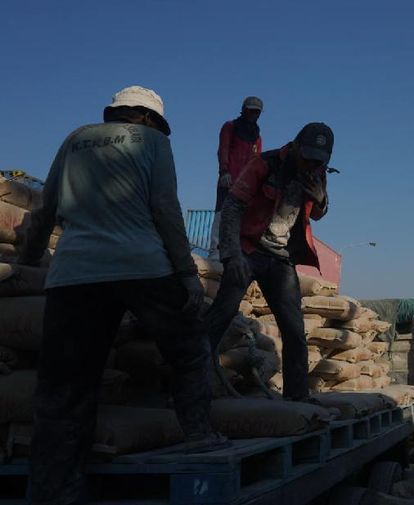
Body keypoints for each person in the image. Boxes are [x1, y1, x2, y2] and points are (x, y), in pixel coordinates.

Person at [18, 85, 227, 505]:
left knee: (66, 387)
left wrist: (31, 257)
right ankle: (199, 435)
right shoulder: (153, 143)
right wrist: (187, 273)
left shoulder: (75, 138)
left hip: (75, 273)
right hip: (143, 266)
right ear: (149, 119)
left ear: (114, 113)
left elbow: (45, 208)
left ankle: (53, 490)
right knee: (188, 349)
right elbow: (165, 207)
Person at [207, 122, 333, 402]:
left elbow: (319, 214)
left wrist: (321, 199)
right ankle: (194, 387)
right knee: (221, 316)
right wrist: (232, 254)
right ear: (296, 146)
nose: (311, 164)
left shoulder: (317, 174)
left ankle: (297, 397)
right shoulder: (265, 164)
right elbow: (232, 207)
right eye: (308, 157)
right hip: (249, 250)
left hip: (281, 257)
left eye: (318, 161)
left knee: (294, 329)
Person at [209, 96, 264, 259]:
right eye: (251, 110)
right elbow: (223, 149)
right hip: (229, 179)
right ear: (244, 110)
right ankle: (215, 251)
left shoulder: (257, 137)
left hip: (246, 185)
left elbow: (257, 161)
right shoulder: (230, 127)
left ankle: (234, 252)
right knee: (222, 213)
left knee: (241, 217)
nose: (253, 114)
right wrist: (223, 171)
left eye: (256, 112)